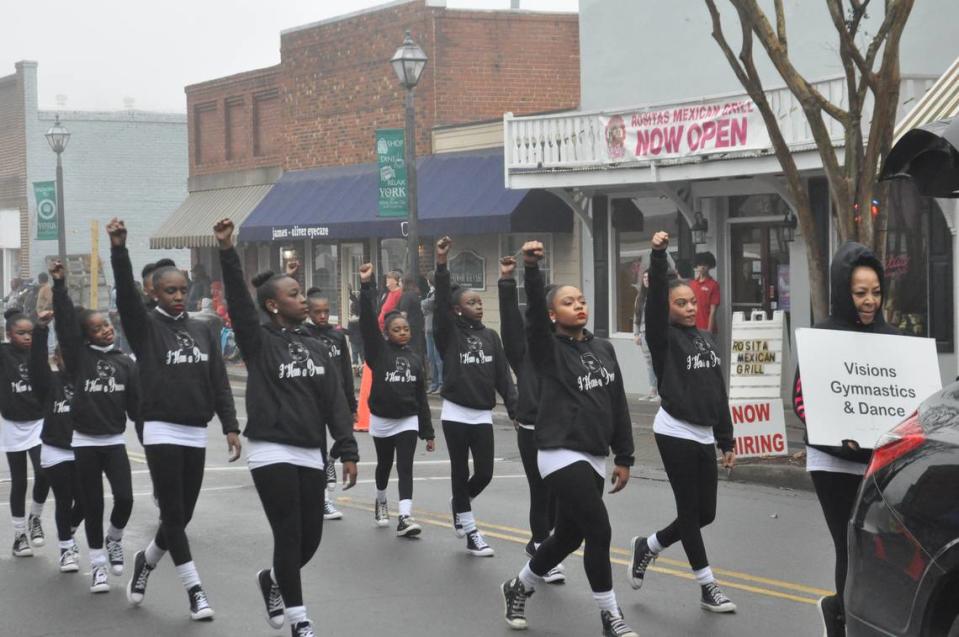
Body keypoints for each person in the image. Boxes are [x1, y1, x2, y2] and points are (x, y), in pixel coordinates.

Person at [215, 218, 358, 637]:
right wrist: (227, 250)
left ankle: (273, 581)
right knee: (288, 534)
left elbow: (334, 402)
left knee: (310, 539)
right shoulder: (259, 342)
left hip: (310, 450)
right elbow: (241, 305)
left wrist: (346, 450)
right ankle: (300, 621)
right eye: (294, 294)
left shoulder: (317, 346)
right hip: (271, 449)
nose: (304, 299)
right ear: (274, 305)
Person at [500, 240, 637, 637]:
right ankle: (610, 616)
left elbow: (617, 404)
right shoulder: (546, 351)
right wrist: (531, 269)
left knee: (568, 536)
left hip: (594, 454)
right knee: (600, 530)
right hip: (558, 452)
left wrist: (624, 455)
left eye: (581, 300)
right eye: (568, 302)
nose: (578, 306)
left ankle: (519, 585)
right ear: (551, 314)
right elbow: (532, 330)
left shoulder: (604, 349)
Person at [107, 219, 241, 621]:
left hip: (195, 431)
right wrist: (119, 249)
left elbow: (218, 381)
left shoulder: (203, 331)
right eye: (170, 290)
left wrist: (231, 425)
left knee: (182, 516)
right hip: (161, 428)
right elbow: (129, 304)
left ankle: (146, 562)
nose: (179, 296)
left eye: (183, 289)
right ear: (154, 292)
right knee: (173, 515)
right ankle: (195, 590)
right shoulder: (146, 328)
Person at [792, 242, 899, 637]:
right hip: (833, 461)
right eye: (860, 293)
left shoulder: (894, 339)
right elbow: (801, 401)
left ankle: (839, 606)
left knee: (878, 548)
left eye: (875, 292)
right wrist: (839, 439)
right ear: (843, 292)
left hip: (879, 462)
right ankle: (844, 624)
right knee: (850, 543)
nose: (869, 301)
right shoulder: (822, 337)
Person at [626, 231, 737, 613]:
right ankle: (708, 587)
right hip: (675, 432)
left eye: (693, 302)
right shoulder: (664, 338)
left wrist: (727, 441)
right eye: (682, 303)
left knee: (705, 514)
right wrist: (659, 257)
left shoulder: (705, 339)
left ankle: (649, 545)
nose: (690, 308)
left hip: (704, 434)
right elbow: (656, 302)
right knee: (690, 513)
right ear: (668, 309)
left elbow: (717, 392)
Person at [50, 260, 138, 594]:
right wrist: (60, 287)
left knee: (126, 499)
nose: (106, 330)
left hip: (114, 441)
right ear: (86, 335)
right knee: (92, 507)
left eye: (107, 325)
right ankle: (98, 567)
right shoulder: (78, 359)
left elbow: (136, 407)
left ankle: (114, 539)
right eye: (98, 327)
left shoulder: (124, 362)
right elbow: (65, 327)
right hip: (84, 443)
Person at [433, 236, 516, 557]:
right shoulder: (448, 333)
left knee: (483, 473)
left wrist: (515, 408)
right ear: (457, 309)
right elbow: (440, 304)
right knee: (458, 470)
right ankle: (471, 532)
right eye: (471, 302)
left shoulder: (491, 337)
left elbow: (503, 377)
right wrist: (441, 263)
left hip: (481, 414)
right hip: (455, 413)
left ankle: (459, 503)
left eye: (480, 302)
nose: (478, 306)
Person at [497, 255, 565, 584]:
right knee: (540, 491)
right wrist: (507, 282)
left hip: (564, 430)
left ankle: (538, 540)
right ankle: (541, 546)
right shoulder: (523, 348)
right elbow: (511, 322)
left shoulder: (570, 347)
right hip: (532, 429)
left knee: (556, 495)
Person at [358, 262, 435, 535]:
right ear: (387, 333)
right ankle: (380, 500)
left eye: (405, 329)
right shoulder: (378, 353)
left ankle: (405, 516)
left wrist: (427, 431)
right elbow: (367, 323)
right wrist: (366, 286)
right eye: (397, 329)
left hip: (407, 420)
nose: (403, 332)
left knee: (405, 467)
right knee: (384, 465)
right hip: (382, 419)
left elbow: (420, 397)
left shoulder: (415, 359)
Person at [29, 311, 84, 573]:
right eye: (63, 356)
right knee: (64, 499)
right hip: (55, 450)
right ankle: (65, 550)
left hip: (83, 449)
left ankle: (68, 533)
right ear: (56, 358)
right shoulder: (48, 383)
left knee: (84, 502)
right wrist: (40, 329)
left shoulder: (86, 381)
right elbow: (35, 365)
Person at [303, 286, 358, 522]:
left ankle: (330, 461)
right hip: (312, 400)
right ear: (308, 312)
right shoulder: (304, 335)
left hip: (336, 399)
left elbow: (346, 370)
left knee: (344, 438)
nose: (323, 316)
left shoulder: (337, 336)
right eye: (318, 312)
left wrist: (352, 404)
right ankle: (324, 499)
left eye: (326, 311)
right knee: (318, 447)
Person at [1, 309, 50, 557]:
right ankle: (19, 535)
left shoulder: (38, 354)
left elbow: (42, 339)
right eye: (21, 333)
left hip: (38, 422)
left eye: (30, 333)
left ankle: (35, 517)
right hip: (12, 424)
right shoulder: (3, 353)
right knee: (19, 481)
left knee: (44, 473)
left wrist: (41, 325)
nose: (27, 337)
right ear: (8, 335)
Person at [633, 271, 659, 402]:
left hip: (656, 333)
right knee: (649, 363)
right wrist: (636, 334)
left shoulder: (658, 294)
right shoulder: (640, 297)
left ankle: (661, 392)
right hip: (643, 333)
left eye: (648, 277)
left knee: (658, 362)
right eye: (643, 277)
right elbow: (636, 317)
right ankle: (652, 391)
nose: (646, 279)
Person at [421, 272, 443, 393]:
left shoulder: (438, 292)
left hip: (436, 327)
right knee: (430, 356)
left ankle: (441, 383)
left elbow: (427, 303)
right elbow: (426, 306)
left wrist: (424, 303)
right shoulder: (430, 292)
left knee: (438, 356)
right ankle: (433, 383)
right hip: (428, 327)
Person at [397, 273, 426, 359]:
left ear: (404, 283)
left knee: (410, 352)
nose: (399, 284)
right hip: (417, 328)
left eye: (400, 282)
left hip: (409, 328)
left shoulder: (406, 296)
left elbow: (403, 315)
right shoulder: (414, 294)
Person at [692, 252, 720, 333]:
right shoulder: (692, 284)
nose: (702, 267)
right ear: (696, 266)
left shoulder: (713, 285)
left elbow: (713, 311)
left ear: (710, 266)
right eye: (700, 264)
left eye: (705, 264)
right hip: (693, 328)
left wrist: (709, 331)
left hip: (706, 328)